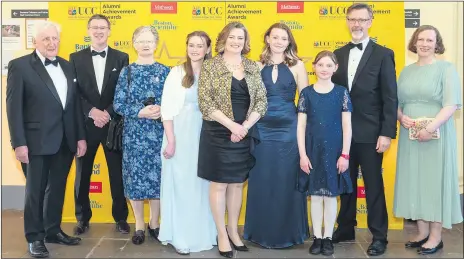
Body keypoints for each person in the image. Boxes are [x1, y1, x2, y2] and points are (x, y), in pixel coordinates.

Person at [6, 21, 87, 258]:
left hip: (66, 140)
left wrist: (80, 137)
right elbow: (13, 108)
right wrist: (19, 143)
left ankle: (52, 230)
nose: (52, 43)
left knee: (58, 189)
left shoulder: (66, 65)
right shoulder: (20, 66)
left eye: (55, 39)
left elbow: (73, 107)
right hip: (35, 142)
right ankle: (34, 237)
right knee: (35, 191)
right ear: (35, 42)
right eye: (46, 39)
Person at [331, 3, 398, 256]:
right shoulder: (338, 54)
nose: (356, 24)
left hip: (371, 134)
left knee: (373, 186)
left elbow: (390, 97)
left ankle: (379, 236)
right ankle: (346, 227)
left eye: (361, 19)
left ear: (370, 21)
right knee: (345, 183)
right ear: (347, 21)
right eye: (352, 19)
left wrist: (387, 132)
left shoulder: (383, 54)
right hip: (342, 133)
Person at [197, 21, 267, 258]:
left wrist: (244, 127)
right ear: (223, 40)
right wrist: (232, 126)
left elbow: (261, 102)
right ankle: (222, 234)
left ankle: (233, 230)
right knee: (220, 184)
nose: (236, 42)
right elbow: (205, 103)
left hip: (243, 132)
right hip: (218, 131)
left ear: (245, 42)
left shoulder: (252, 66)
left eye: (240, 38)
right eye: (232, 37)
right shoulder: (210, 66)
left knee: (237, 183)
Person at [394, 25, 463, 255]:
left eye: (429, 40)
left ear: (437, 44)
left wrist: (430, 128)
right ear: (414, 42)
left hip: (436, 135)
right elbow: (398, 103)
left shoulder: (446, 69)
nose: (424, 43)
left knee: (434, 183)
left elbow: (451, 104)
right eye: (420, 39)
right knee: (415, 181)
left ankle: (436, 236)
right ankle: (422, 232)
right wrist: (401, 117)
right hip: (410, 135)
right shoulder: (406, 71)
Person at [243, 22, 309, 249]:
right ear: (268, 39)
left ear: (289, 41)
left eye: (284, 38)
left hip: (289, 129)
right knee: (262, 179)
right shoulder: (254, 64)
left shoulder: (298, 65)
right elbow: (249, 98)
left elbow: (304, 102)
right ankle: (259, 232)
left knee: (286, 179)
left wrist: (304, 131)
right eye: (275, 37)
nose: (279, 41)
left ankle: (289, 233)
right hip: (261, 129)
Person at [70, 14, 130, 236]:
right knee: (82, 175)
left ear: (109, 30)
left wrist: (107, 112)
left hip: (113, 125)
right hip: (85, 127)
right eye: (94, 27)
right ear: (87, 30)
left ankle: (121, 218)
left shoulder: (122, 57)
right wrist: (92, 111)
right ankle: (82, 218)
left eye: (102, 27)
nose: (98, 31)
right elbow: (73, 93)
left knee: (117, 174)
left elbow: (124, 92)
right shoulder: (75, 58)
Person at [158, 31, 217, 255]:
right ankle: (180, 235)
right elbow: (167, 110)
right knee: (182, 185)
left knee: (203, 186)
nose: (195, 49)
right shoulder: (177, 72)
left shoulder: (214, 72)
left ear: (207, 49)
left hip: (208, 136)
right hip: (181, 136)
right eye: (191, 45)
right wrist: (171, 140)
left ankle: (205, 233)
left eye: (199, 45)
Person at [113, 26, 169, 245]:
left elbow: (175, 102)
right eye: (140, 40)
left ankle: (155, 223)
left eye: (149, 41)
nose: (145, 45)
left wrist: (161, 110)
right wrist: (139, 111)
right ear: (133, 43)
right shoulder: (126, 72)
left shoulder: (166, 71)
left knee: (157, 180)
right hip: (134, 135)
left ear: (156, 44)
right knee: (135, 181)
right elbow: (118, 104)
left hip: (159, 133)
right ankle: (138, 224)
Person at [296, 51, 353, 256]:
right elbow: (301, 126)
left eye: (329, 65)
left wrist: (345, 154)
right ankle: (317, 238)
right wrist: (303, 155)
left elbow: (347, 125)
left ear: (335, 68)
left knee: (330, 196)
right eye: (320, 65)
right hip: (312, 151)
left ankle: (328, 237)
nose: (324, 69)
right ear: (314, 67)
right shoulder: (306, 93)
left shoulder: (341, 92)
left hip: (335, 151)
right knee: (315, 195)